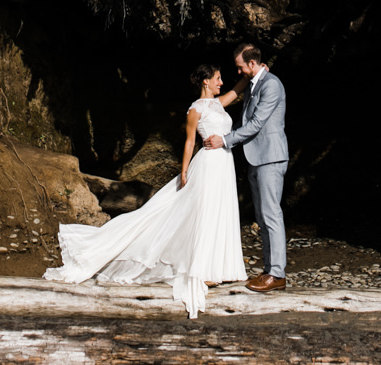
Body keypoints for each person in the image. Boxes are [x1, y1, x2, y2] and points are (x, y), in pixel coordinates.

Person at [44, 62, 246, 318]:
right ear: (206, 81)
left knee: (221, 212)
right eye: (218, 78)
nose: (221, 82)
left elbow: (239, 88)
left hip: (224, 164)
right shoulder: (195, 109)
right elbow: (190, 141)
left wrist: (254, 71)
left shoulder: (219, 103)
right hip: (207, 163)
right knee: (203, 213)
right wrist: (184, 171)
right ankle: (202, 270)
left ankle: (220, 268)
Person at [204, 43, 287, 291]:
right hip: (256, 157)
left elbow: (256, 123)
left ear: (252, 64)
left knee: (271, 214)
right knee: (262, 216)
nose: (238, 72)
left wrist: (225, 140)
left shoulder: (271, 84)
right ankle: (269, 270)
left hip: (270, 158)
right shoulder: (254, 83)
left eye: (240, 67)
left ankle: (277, 274)